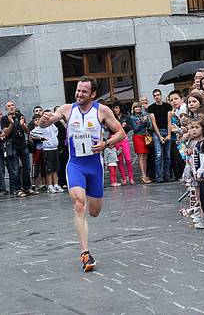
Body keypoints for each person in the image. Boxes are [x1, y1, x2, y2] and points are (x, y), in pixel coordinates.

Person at [39, 76, 126, 272]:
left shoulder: (102, 111)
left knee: (94, 212)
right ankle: (85, 253)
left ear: (93, 94)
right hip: (75, 165)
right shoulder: (67, 109)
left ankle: (90, 200)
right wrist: (45, 121)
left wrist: (106, 144)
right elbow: (48, 122)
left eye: (84, 92)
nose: (79, 94)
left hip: (95, 166)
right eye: (78, 90)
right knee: (79, 203)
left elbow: (121, 132)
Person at [1, 101, 37, 196]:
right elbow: (6, 133)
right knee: (15, 169)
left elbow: (27, 131)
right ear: (6, 108)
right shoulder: (4, 119)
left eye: (12, 105)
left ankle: (27, 188)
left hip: (22, 144)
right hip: (12, 145)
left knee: (27, 167)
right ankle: (17, 189)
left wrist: (23, 124)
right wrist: (11, 123)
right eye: (9, 106)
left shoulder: (20, 115)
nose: (11, 107)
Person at [30, 112, 62, 193]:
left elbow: (56, 131)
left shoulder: (52, 125)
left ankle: (56, 184)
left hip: (55, 148)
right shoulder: (42, 126)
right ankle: (50, 185)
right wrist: (41, 137)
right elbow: (32, 133)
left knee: (55, 168)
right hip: (47, 149)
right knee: (49, 168)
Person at [148, 89, 173, 183]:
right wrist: (159, 137)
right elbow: (153, 123)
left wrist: (169, 134)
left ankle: (167, 175)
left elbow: (169, 120)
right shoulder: (151, 108)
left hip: (166, 130)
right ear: (153, 97)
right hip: (157, 132)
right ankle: (159, 176)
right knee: (158, 155)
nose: (157, 97)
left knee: (167, 155)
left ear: (161, 95)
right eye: (155, 95)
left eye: (158, 95)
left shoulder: (167, 106)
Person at [111, 103, 135, 185]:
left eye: (117, 107)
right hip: (116, 139)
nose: (116, 110)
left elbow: (131, 127)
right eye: (114, 108)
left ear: (120, 108)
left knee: (128, 159)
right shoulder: (112, 118)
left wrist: (125, 127)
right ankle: (124, 178)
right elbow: (110, 130)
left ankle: (131, 178)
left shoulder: (126, 117)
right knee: (120, 160)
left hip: (124, 138)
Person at [129, 101, 152, 184]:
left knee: (145, 156)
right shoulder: (132, 117)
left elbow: (149, 125)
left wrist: (146, 121)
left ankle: (145, 175)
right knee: (141, 156)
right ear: (133, 109)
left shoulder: (144, 115)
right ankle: (143, 175)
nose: (137, 108)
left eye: (139, 107)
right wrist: (142, 122)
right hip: (137, 136)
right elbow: (135, 129)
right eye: (136, 107)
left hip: (145, 136)